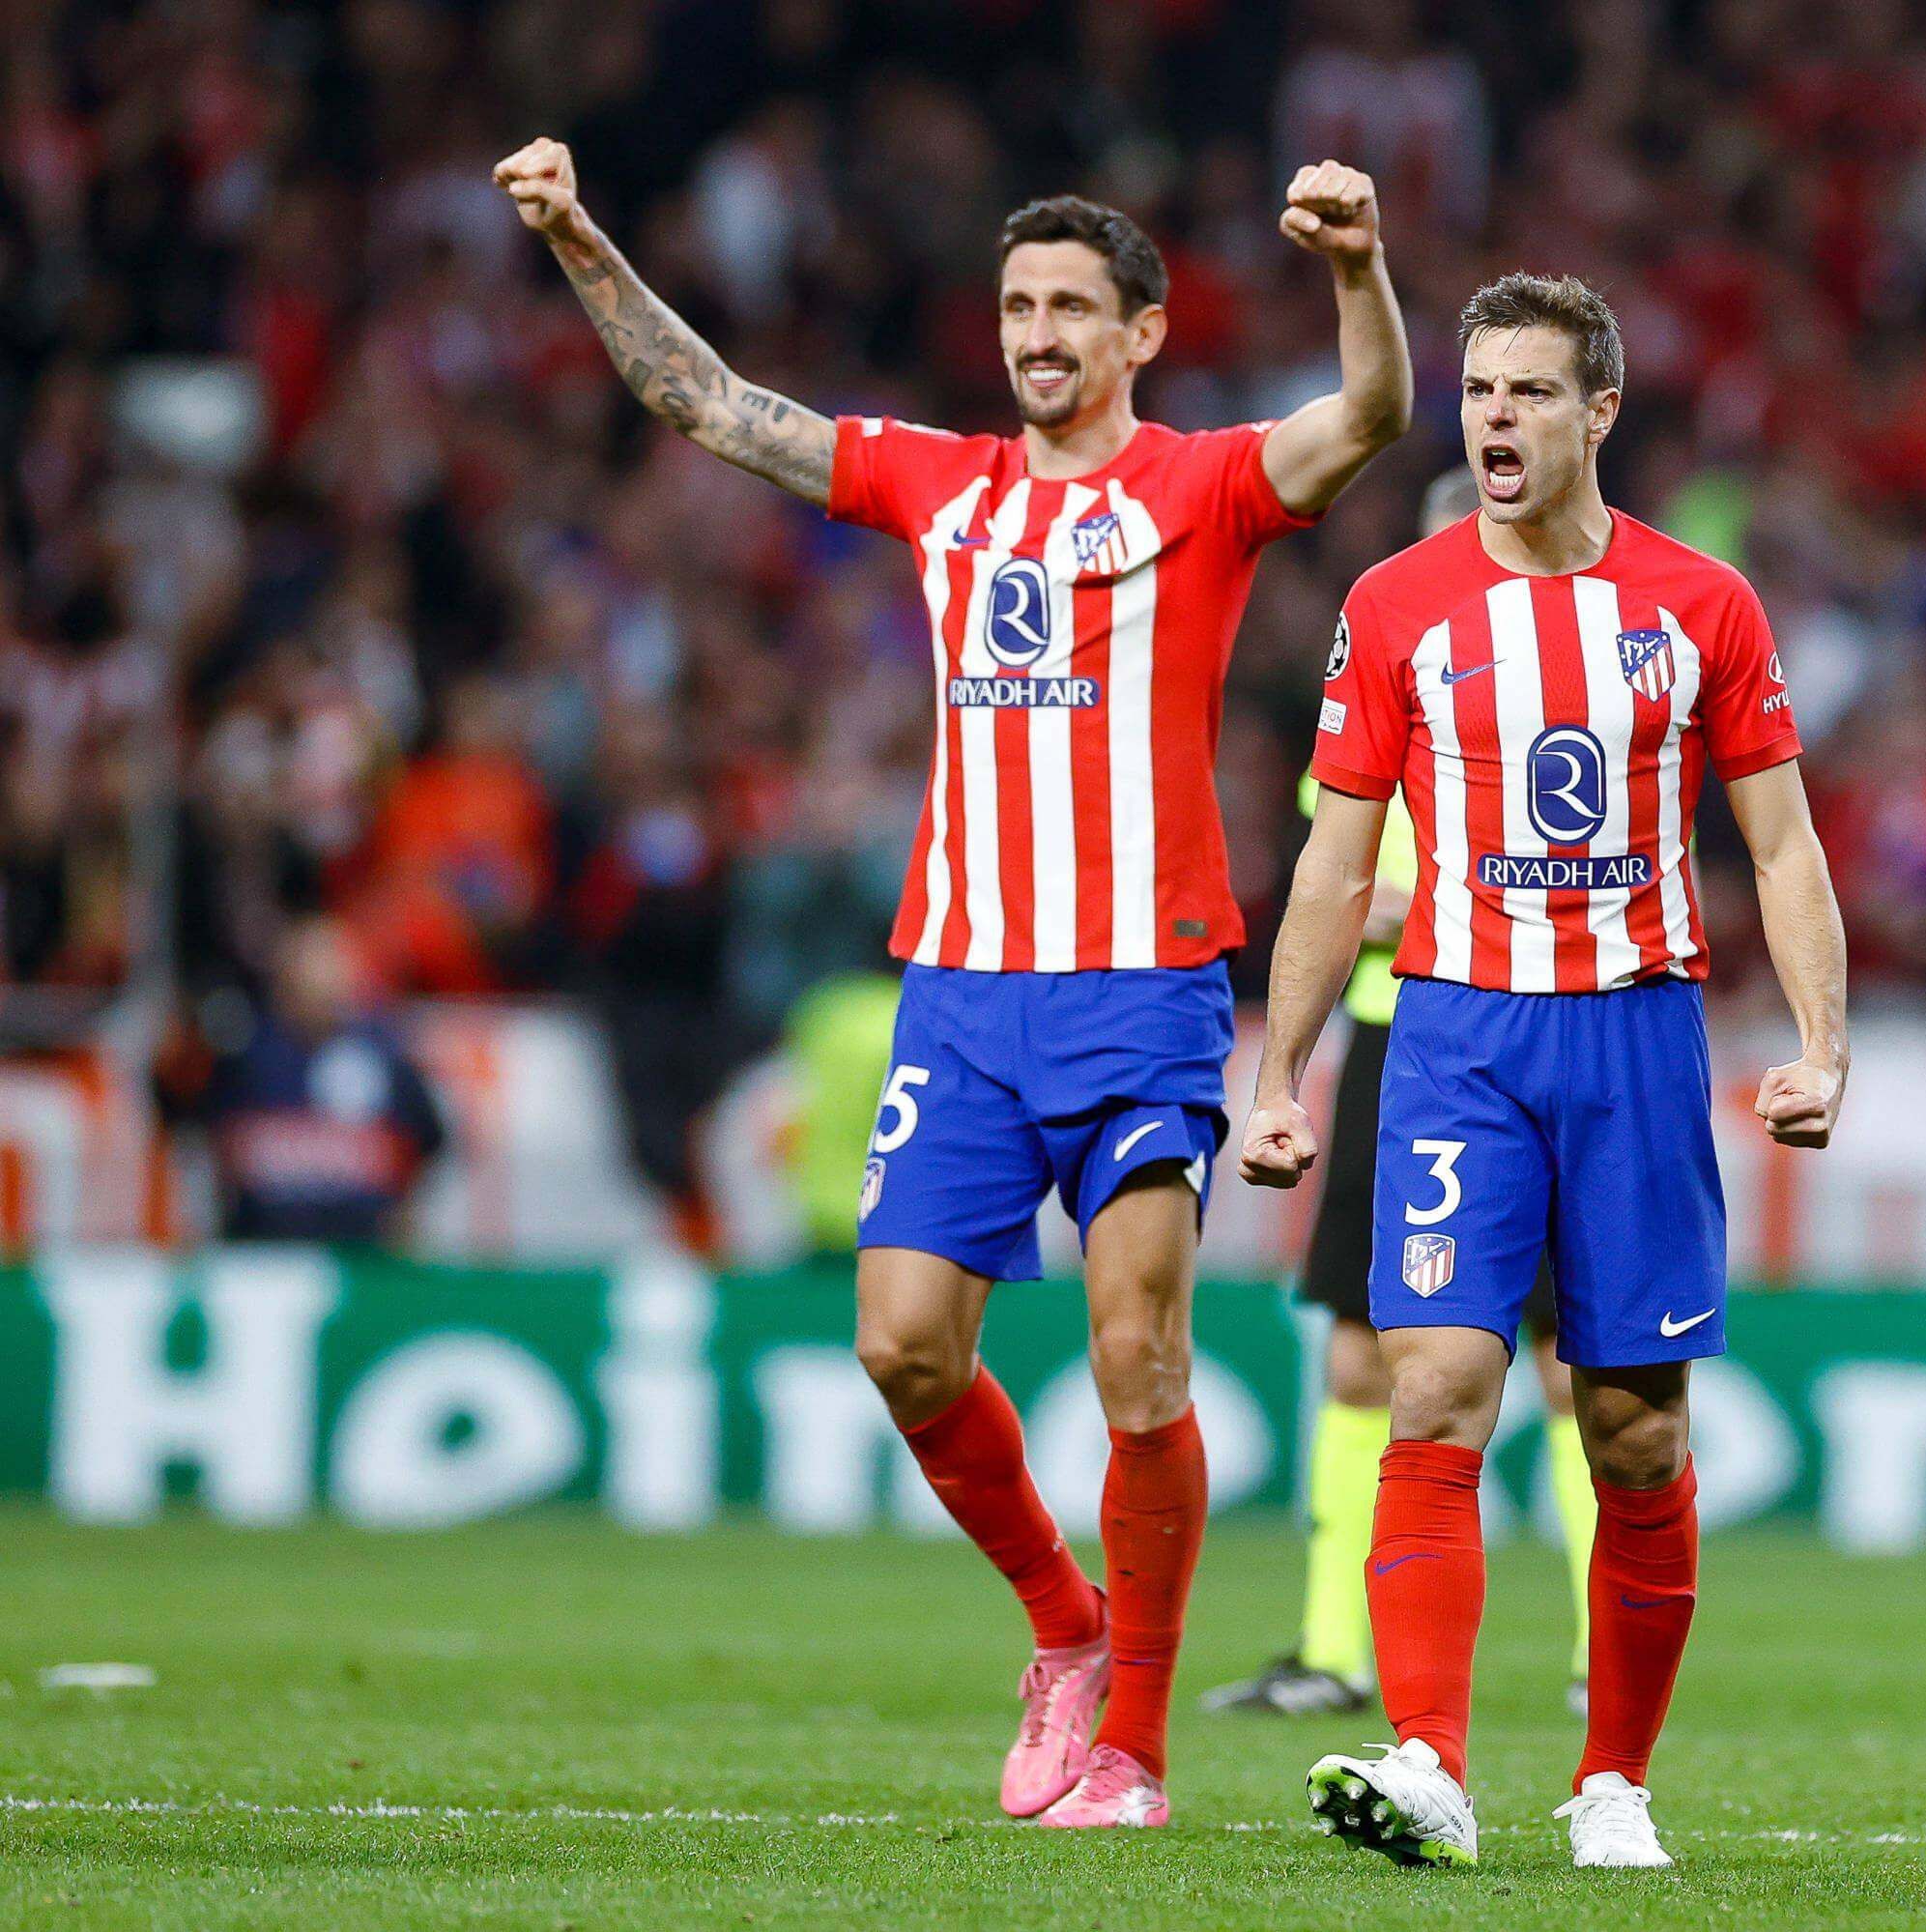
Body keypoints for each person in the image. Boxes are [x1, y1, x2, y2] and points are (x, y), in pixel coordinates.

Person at [496, 138, 1410, 1830]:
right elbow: (708, 403)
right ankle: (1065, 1625)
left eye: (1072, 304)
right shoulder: (938, 482)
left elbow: (1364, 420)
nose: (1039, 330)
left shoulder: (1205, 484)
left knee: (1140, 1357)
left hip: (1141, 985)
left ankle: (1129, 1741)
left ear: (1140, 332)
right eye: (1017, 304)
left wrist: (1357, 269)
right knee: (905, 1345)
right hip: (963, 992)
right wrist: (575, 237)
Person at [1240, 274, 1849, 1870]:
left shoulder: (1702, 604)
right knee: (1434, 1381)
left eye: (1526, 391)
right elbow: (1330, 862)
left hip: (1637, 1040)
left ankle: (1614, 1778)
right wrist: (1279, 1066)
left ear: (1598, 413)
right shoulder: (1395, 602)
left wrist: (1822, 1043)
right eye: (1478, 390)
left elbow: (1780, 843)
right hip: (1455, 1037)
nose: (1494, 416)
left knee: (1634, 1426)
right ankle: (1429, 1752)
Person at [1207, 471, 1598, 1720]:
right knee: (1362, 1354)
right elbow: (1340, 876)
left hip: (1535, 1028)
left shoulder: (1571, 688)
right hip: (1393, 1038)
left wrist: (1427, 902)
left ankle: (1606, 1648)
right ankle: (1333, 1650)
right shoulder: (1381, 669)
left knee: (1570, 1360)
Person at [182, 915, 446, 1244]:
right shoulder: (245, 1058)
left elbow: (431, 1140)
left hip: (365, 1259)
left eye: (329, 968)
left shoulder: (384, 1055)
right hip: (265, 1260)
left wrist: (402, 1216)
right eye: (306, 971)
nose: (321, 985)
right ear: (283, 982)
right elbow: (205, 1133)